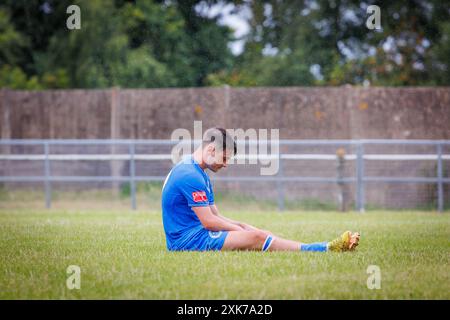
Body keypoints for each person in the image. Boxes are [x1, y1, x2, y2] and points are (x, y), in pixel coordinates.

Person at [161, 127, 360, 252]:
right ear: (211, 150)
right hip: (187, 242)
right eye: (224, 158)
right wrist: (242, 230)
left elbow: (216, 215)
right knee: (257, 237)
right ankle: (322, 248)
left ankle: (318, 247)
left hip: (196, 233)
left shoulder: (199, 172)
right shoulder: (190, 174)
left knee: (257, 233)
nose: (226, 164)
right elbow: (209, 222)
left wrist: (244, 225)